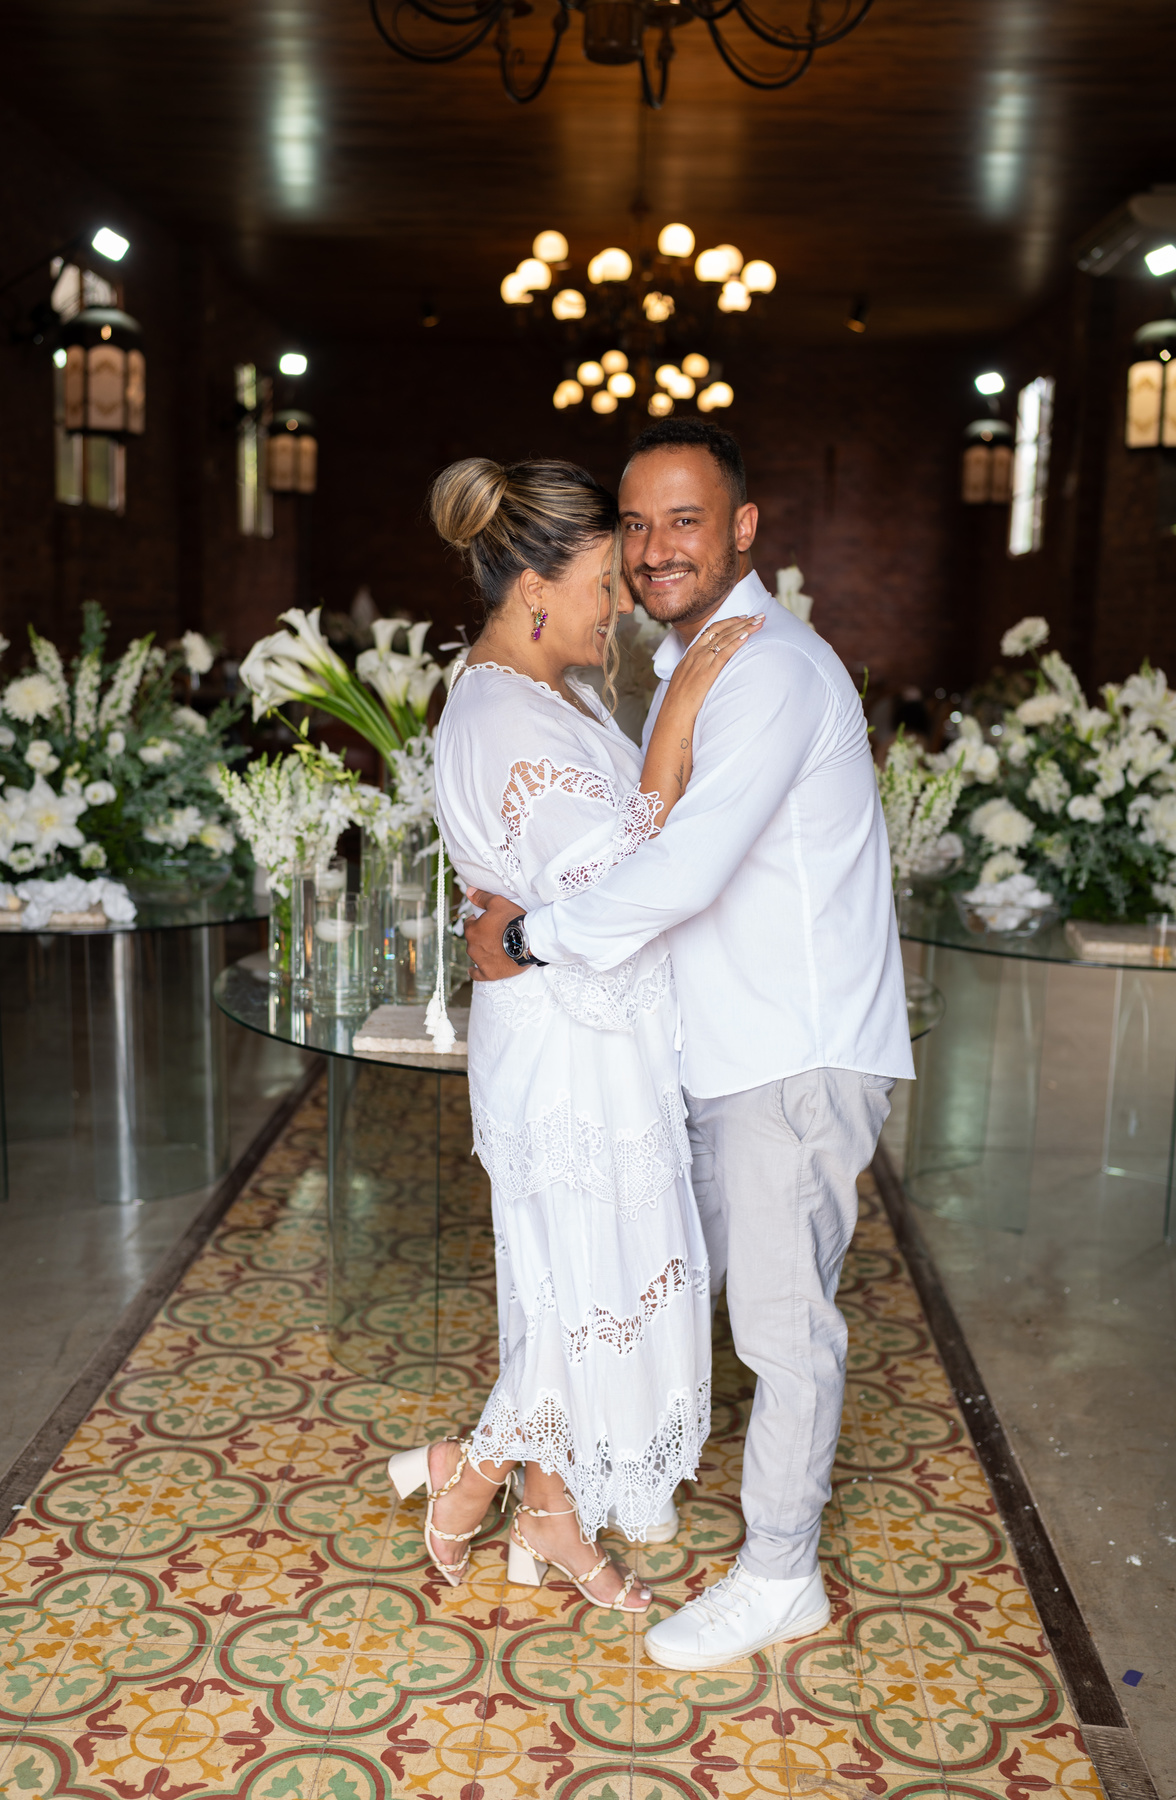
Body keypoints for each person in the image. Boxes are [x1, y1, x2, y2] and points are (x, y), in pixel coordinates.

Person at [463, 418, 913, 1669]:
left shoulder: (765, 671)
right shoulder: (687, 669)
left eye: (687, 521)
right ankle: (563, 1481)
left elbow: (683, 869)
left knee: (779, 1325)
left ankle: (781, 1574)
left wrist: (532, 937)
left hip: (790, 1054)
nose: (657, 548)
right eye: (638, 524)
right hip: (721, 1051)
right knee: (656, 1279)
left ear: (744, 529)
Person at [387, 455, 763, 1613]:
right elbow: (625, 882)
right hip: (563, 1047)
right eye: (605, 581)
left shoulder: (558, 692)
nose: (622, 603)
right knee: (582, 1291)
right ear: (536, 588)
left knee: (582, 1284)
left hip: (601, 1037)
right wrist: (681, 715)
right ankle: (472, 1476)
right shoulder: (499, 711)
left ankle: (537, 1507)